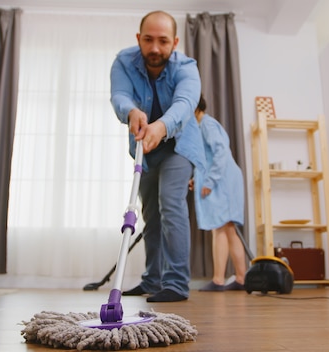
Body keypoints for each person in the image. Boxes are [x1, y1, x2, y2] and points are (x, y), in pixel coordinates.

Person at [110, 10, 206, 302]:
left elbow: (185, 103)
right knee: (150, 214)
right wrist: (132, 112)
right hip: (144, 148)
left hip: (179, 144)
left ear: (174, 42)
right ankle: (152, 279)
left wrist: (162, 126)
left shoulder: (187, 67)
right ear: (138, 39)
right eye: (148, 40)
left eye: (162, 41)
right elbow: (120, 96)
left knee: (170, 205)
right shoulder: (123, 62)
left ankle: (176, 283)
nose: (154, 48)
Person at [190, 94, 248, 292]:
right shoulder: (202, 126)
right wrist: (197, 180)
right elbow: (206, 160)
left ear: (195, 107)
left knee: (222, 227)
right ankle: (240, 278)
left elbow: (221, 153)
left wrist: (209, 180)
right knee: (226, 228)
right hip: (223, 180)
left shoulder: (207, 124)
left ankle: (219, 280)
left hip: (223, 181)